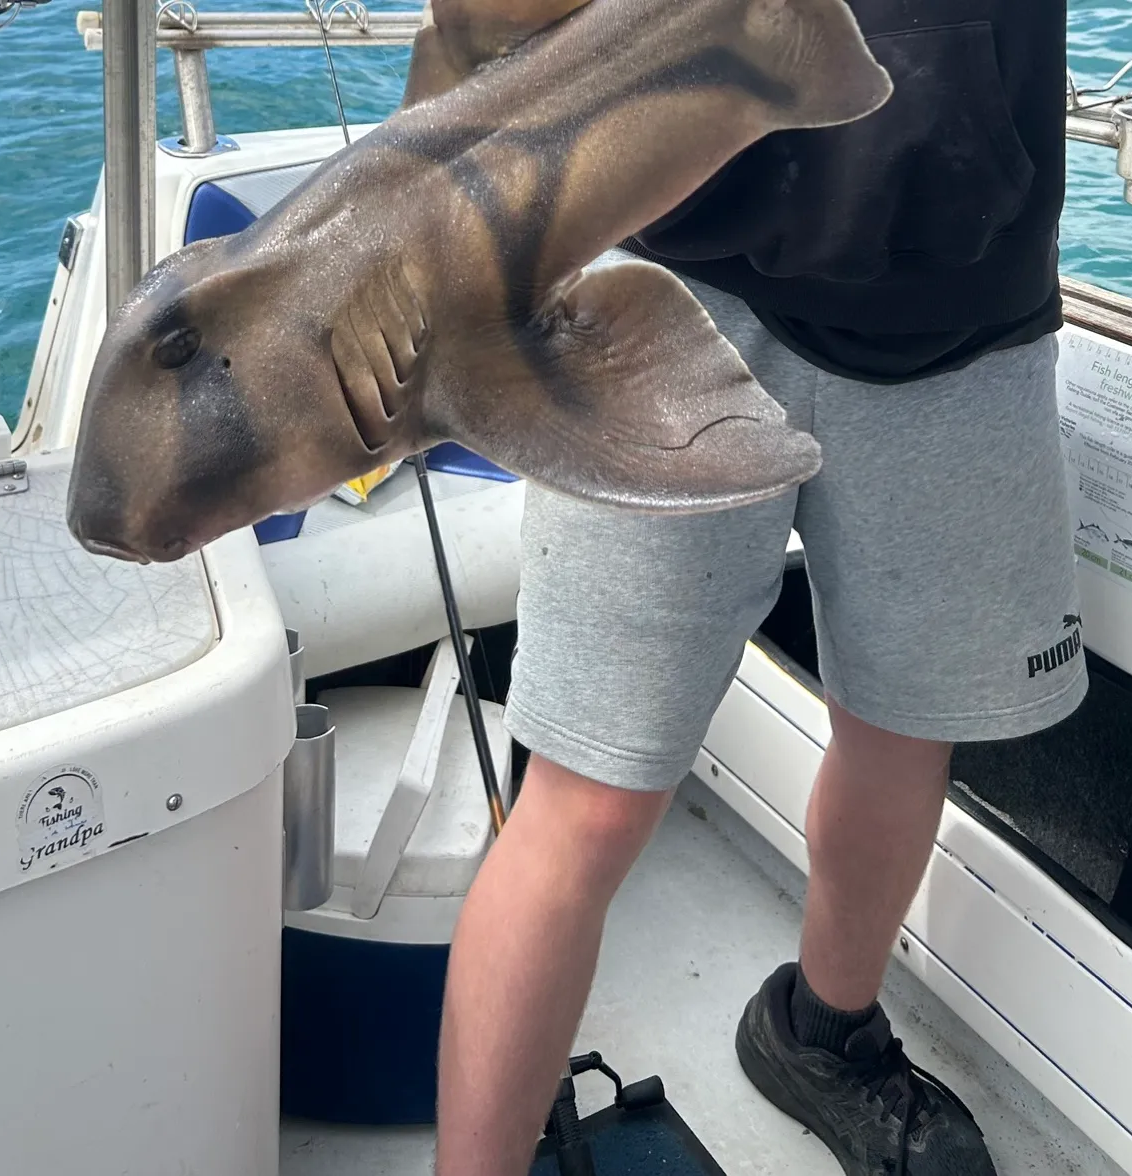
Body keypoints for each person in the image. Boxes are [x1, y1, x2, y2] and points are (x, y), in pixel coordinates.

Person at [434, 0, 1079, 1172]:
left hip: (966, 294)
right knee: (585, 795)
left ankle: (823, 1034)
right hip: (664, 295)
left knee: (905, 731)